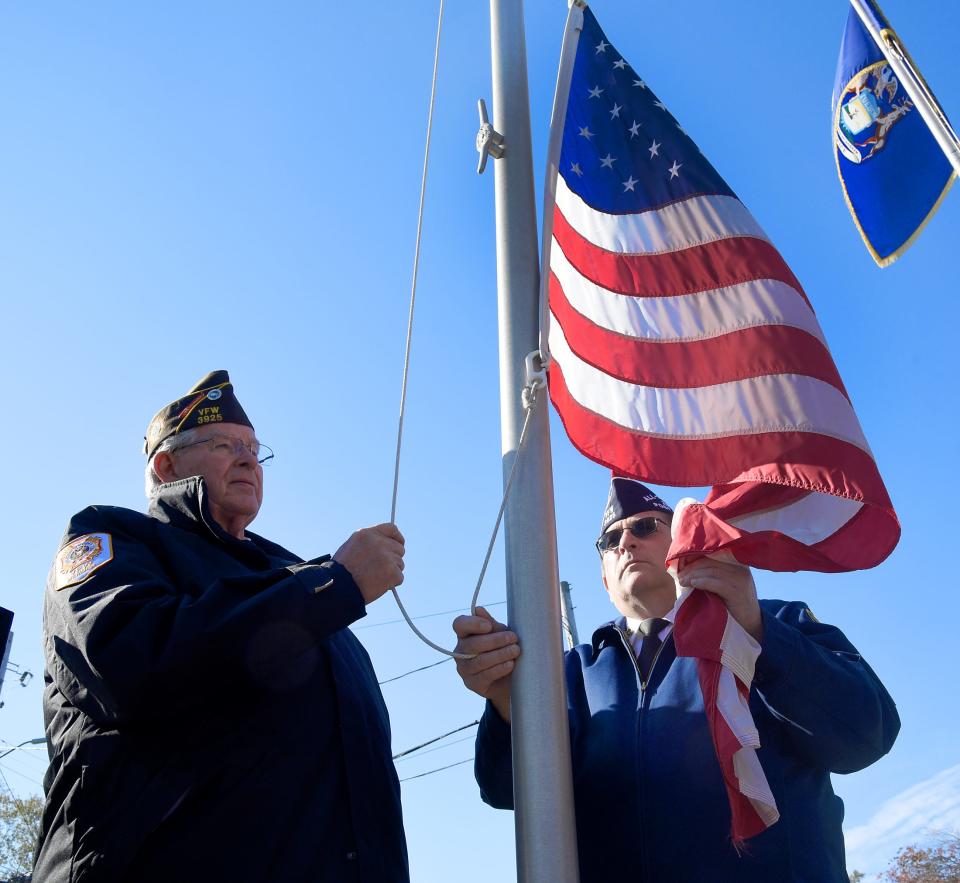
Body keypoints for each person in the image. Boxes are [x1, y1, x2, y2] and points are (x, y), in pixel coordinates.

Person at [35, 370, 409, 883]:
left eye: (256, 449)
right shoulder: (115, 539)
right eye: (225, 444)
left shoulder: (295, 581)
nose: (249, 459)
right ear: (166, 466)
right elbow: (128, 659)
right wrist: (334, 586)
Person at [453, 477, 900, 883]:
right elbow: (506, 793)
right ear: (605, 580)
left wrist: (757, 633)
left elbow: (866, 735)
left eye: (646, 527)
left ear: (682, 544)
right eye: (610, 540)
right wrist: (508, 706)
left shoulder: (773, 620)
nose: (625, 540)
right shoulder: (569, 674)